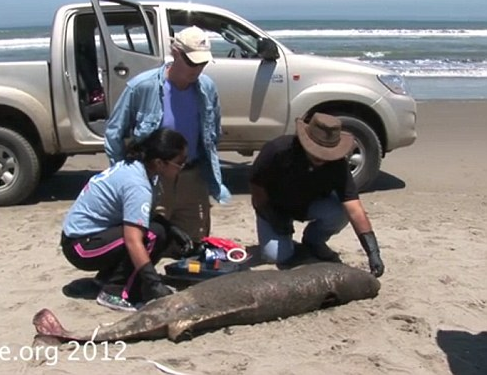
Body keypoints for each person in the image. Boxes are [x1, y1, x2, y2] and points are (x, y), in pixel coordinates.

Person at [104, 26, 230, 255]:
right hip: (154, 179)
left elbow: (213, 131)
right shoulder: (142, 86)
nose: (197, 69)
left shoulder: (207, 87)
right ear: (175, 52)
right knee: (149, 243)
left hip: (192, 176)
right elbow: (114, 132)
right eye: (192, 62)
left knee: (193, 246)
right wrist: (124, 175)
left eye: (202, 63)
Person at [61, 128, 193, 312]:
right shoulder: (137, 184)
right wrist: (154, 283)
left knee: (159, 230)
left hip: (94, 236)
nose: (183, 166)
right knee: (153, 236)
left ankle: (106, 279)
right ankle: (114, 292)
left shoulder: (140, 169)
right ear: (159, 162)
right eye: (179, 162)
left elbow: (136, 214)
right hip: (81, 246)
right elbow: (133, 241)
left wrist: (170, 228)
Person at [249, 113, 385, 277]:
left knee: (341, 212)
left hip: (310, 205)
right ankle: (288, 243)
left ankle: (313, 241)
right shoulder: (278, 150)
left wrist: (373, 251)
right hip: (274, 207)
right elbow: (257, 188)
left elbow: (354, 208)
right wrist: (271, 216)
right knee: (275, 256)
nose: (321, 157)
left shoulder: (338, 164)